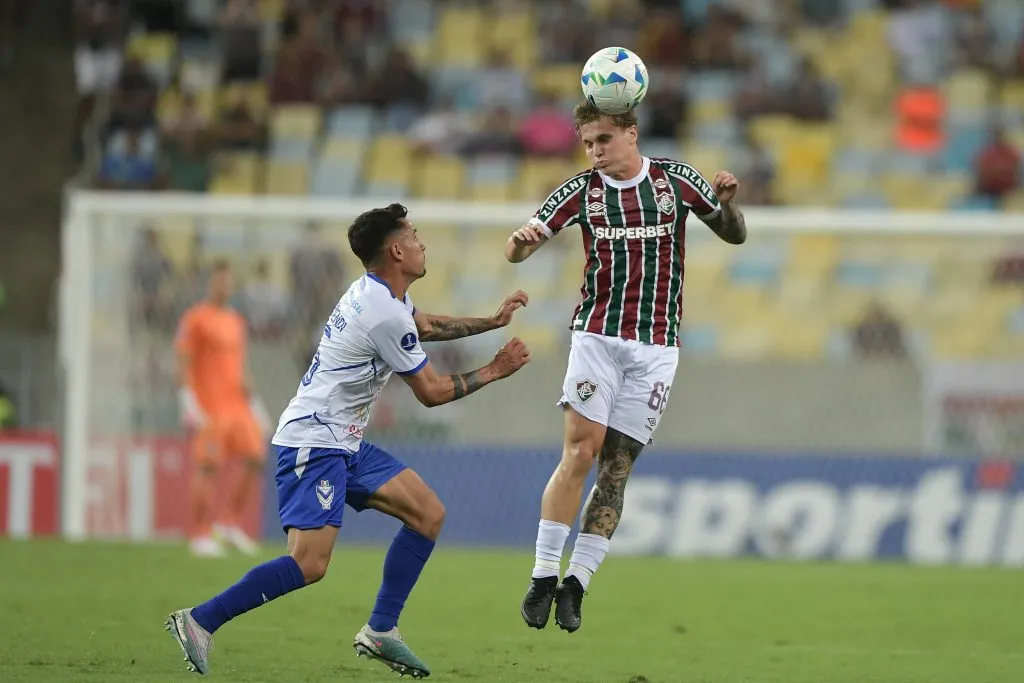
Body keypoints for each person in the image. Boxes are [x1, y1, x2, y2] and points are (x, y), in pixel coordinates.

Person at [166, 204, 531, 679]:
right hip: (314, 442)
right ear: (397, 250)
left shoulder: (380, 295)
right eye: (415, 236)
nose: (423, 244)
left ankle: (381, 630)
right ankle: (199, 620)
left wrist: (491, 321)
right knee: (309, 563)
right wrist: (495, 369)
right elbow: (433, 393)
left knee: (428, 514)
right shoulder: (382, 312)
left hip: (343, 442)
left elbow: (423, 325)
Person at [506, 101, 747, 633]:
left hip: (658, 347)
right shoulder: (580, 190)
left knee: (617, 468)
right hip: (597, 337)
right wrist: (519, 248)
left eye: (603, 141)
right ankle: (545, 573)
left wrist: (727, 205)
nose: (594, 152)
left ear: (631, 134)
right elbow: (519, 246)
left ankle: (578, 584)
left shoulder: (676, 181)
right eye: (588, 143)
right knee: (580, 450)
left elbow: (734, 235)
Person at [175, 261, 272, 558]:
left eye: (228, 282)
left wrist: (256, 405)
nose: (223, 287)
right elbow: (183, 358)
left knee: (256, 457)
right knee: (208, 466)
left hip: (238, 405)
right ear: (210, 283)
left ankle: (229, 524)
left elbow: (239, 367)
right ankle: (200, 535)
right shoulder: (195, 319)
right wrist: (187, 398)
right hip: (211, 406)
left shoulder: (235, 321)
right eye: (219, 281)